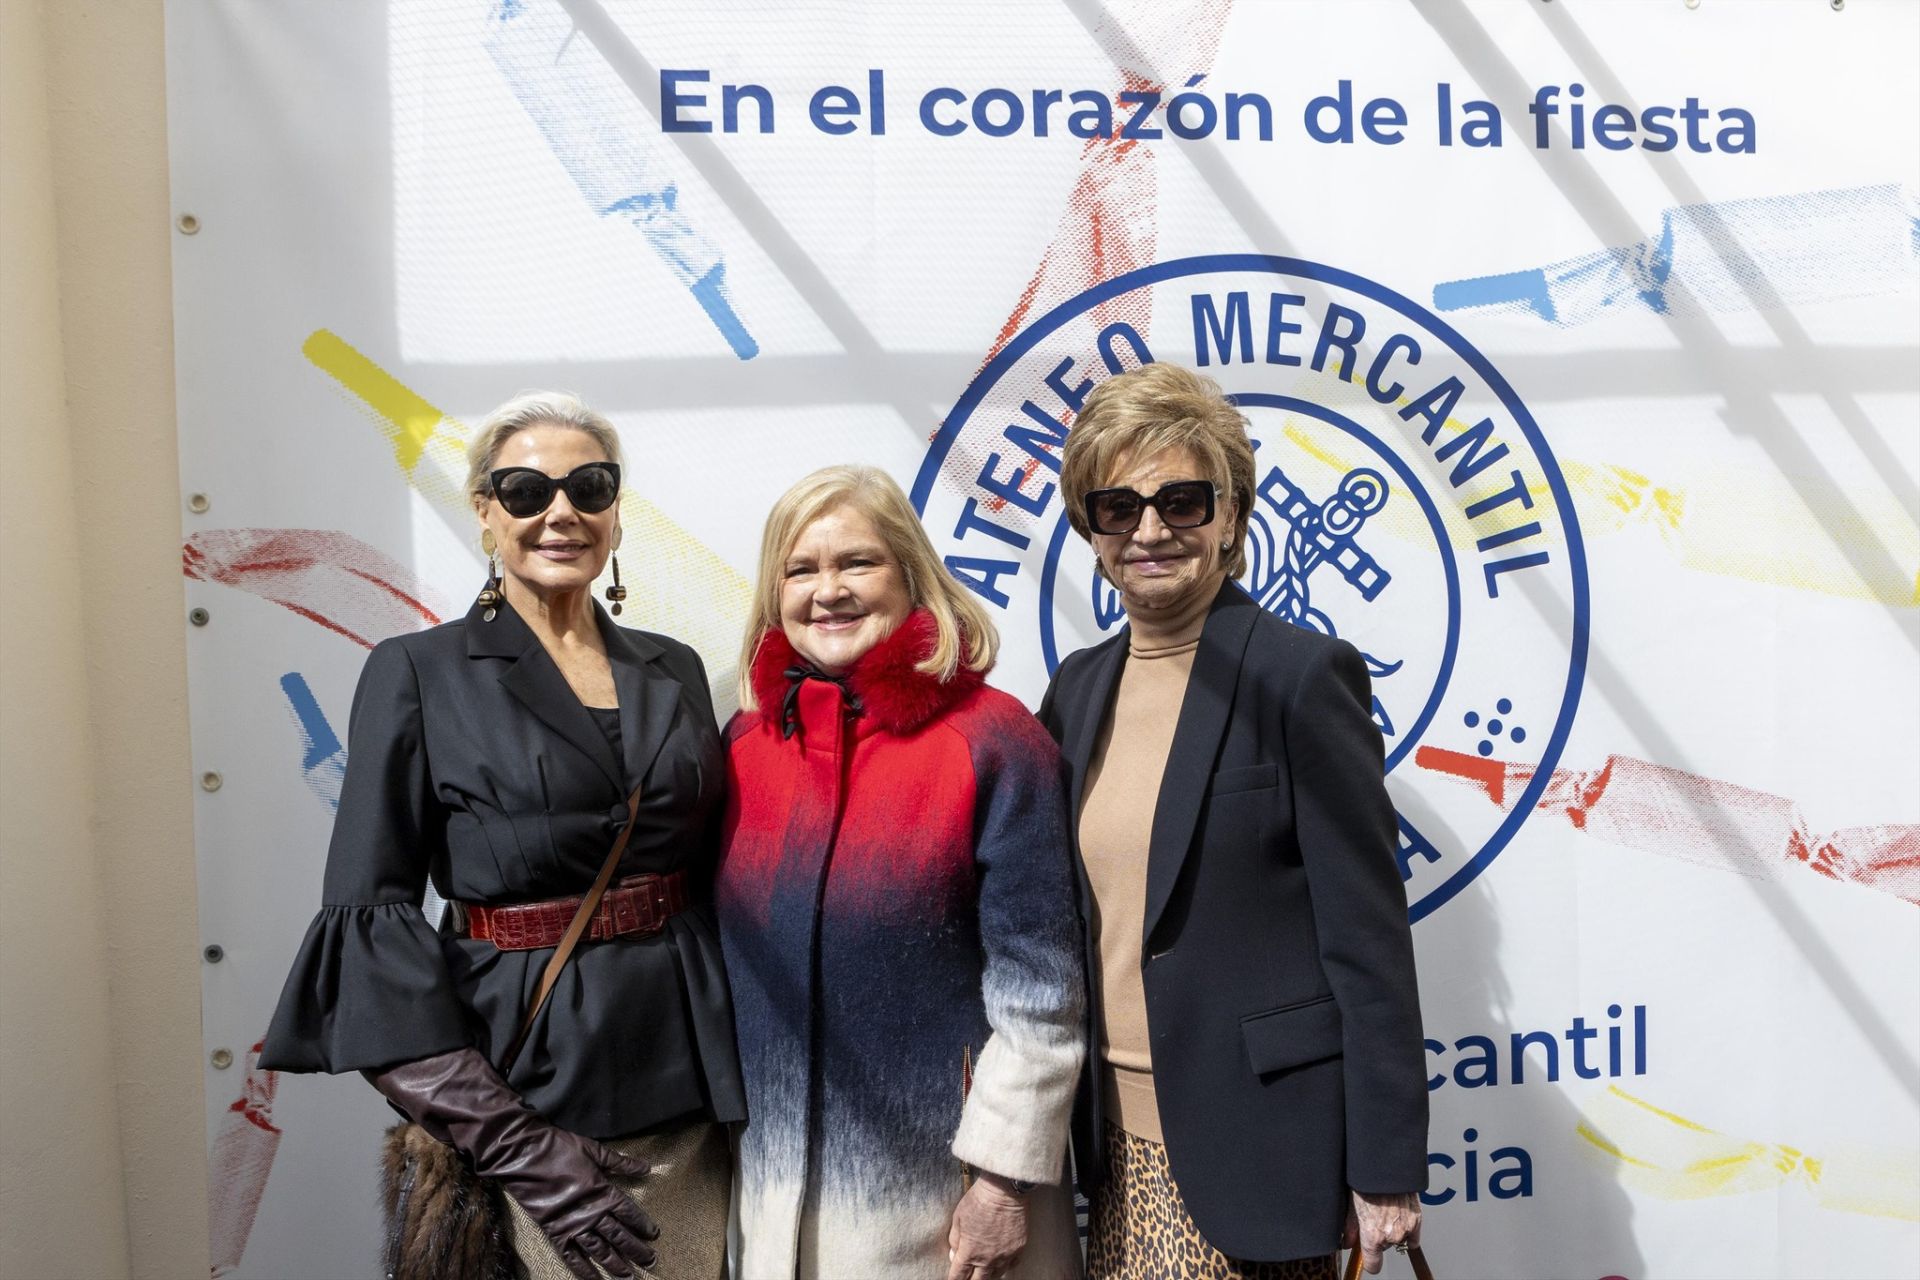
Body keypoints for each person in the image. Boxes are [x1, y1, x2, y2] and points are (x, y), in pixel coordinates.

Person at [259, 392, 746, 1280]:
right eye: (525, 490)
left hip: (698, 1075)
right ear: (485, 512)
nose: (561, 511)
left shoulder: (670, 665)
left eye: (589, 486)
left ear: (614, 510)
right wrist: (521, 1149)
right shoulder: (415, 671)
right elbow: (368, 926)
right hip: (532, 1095)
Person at [1038, 363, 1428, 1279]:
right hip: (1111, 1147)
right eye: (1117, 507)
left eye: (1182, 500)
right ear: (1090, 531)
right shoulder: (1076, 690)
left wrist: (1386, 1170)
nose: (1150, 529)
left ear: (1232, 515)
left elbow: (1368, 943)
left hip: (1260, 1144)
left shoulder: (1299, 675)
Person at [717, 465, 1085, 1280]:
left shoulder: (993, 741)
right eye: (801, 569)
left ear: (911, 575)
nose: (829, 591)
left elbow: (1043, 996)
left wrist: (1001, 1182)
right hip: (771, 1203)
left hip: (947, 1211)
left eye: (857, 563)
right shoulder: (742, 750)